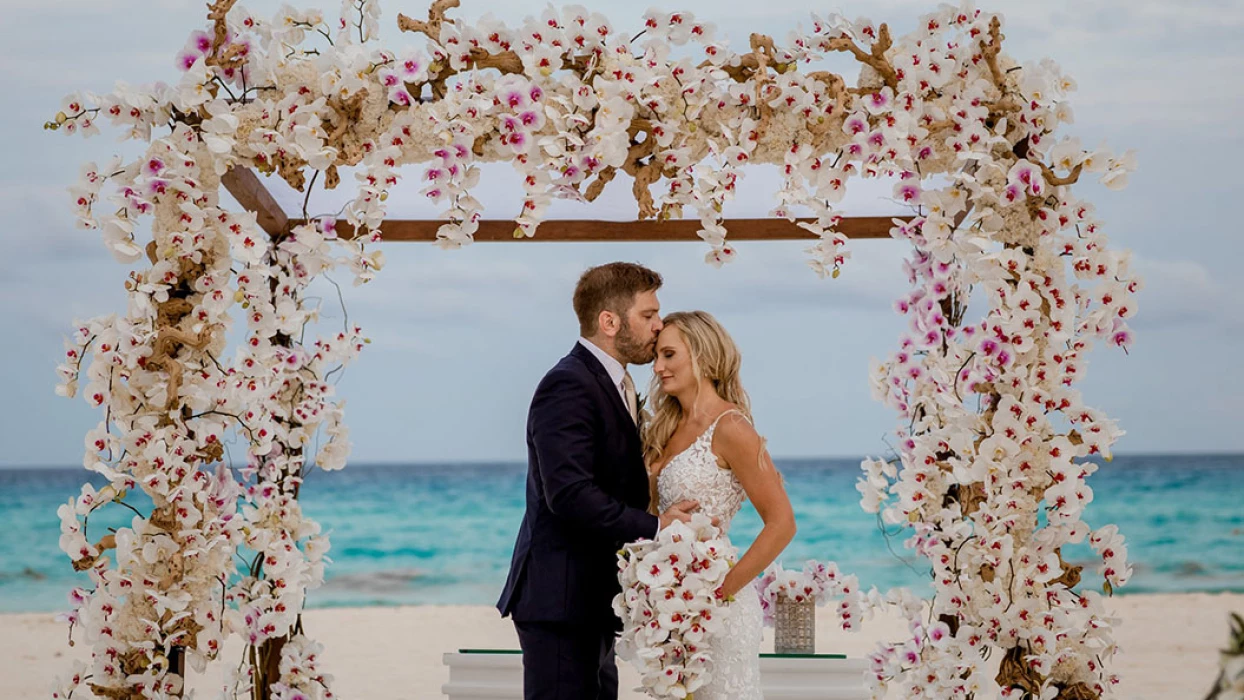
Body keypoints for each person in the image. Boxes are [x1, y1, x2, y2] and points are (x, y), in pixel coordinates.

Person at [496, 262, 705, 700]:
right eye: (648, 315)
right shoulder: (568, 385)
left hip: (592, 600)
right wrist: (657, 527)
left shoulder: (618, 385)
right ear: (609, 322)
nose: (659, 325)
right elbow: (569, 495)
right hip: (560, 602)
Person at [644, 310, 797, 699]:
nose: (658, 367)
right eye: (657, 357)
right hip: (668, 606)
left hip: (718, 609)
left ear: (703, 355)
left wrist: (720, 591)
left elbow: (781, 523)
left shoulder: (732, 428)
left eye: (669, 355)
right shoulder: (663, 427)